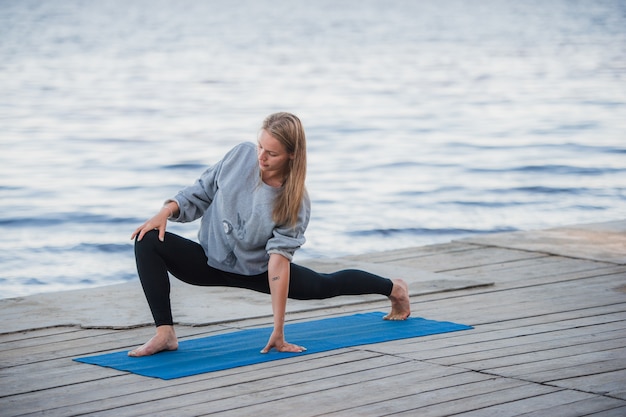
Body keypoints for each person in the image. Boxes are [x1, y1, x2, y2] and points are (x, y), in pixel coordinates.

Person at [129, 112, 410, 357]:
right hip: (207, 261)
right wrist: (166, 211)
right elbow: (200, 192)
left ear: (292, 155)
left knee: (326, 286)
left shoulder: (294, 200)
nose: (261, 157)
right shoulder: (240, 155)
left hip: (258, 270)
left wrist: (278, 330)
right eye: (260, 147)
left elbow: (277, 263)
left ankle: (394, 288)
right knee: (148, 238)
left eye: (271, 153)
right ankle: (165, 334)